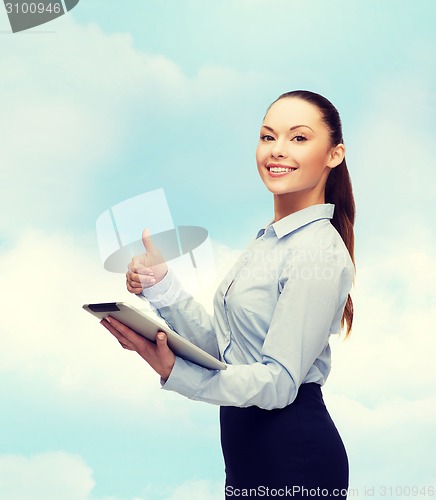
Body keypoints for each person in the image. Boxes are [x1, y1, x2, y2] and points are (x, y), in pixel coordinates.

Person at [101, 90, 356, 499]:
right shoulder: (269, 242)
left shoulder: (318, 251)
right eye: (268, 137)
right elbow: (228, 354)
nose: (277, 151)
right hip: (247, 454)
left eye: (299, 138)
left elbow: (279, 383)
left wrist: (177, 373)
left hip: (295, 459)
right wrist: (162, 286)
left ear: (334, 154)